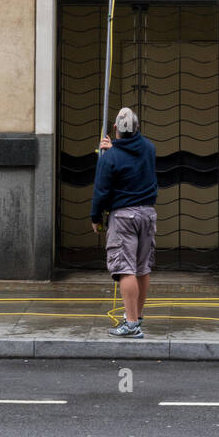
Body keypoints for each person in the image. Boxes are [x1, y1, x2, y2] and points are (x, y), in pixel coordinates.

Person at [91, 107, 157, 338]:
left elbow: (101, 190)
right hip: (148, 214)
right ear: (138, 128)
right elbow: (134, 152)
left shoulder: (109, 156)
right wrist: (115, 148)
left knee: (125, 269)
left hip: (123, 217)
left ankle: (130, 325)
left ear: (115, 129)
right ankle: (137, 316)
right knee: (142, 267)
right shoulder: (149, 148)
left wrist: (95, 217)